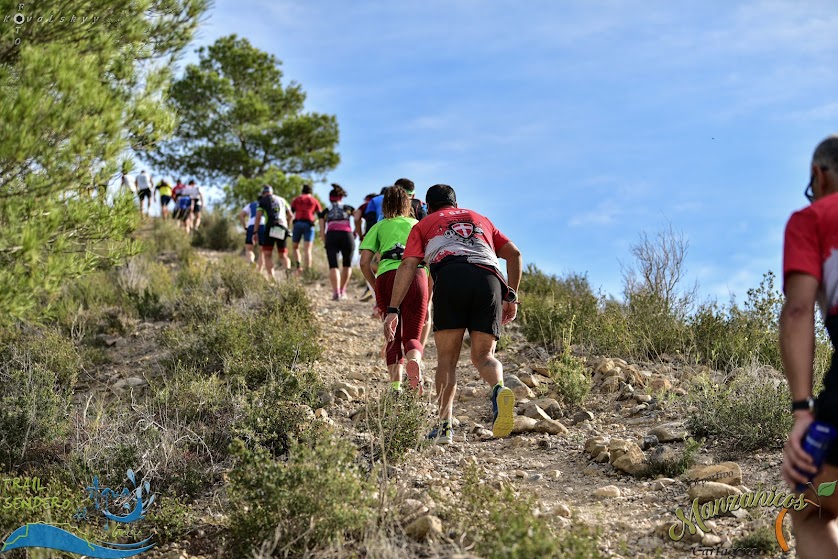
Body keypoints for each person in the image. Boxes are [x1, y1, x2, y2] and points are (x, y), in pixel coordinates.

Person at [384, 184, 522, 444]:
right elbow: (514, 254)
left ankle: (444, 426)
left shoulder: (423, 224)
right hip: (489, 280)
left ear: (427, 206)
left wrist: (393, 309)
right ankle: (499, 389)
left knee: (447, 360)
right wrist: (511, 294)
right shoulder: (479, 218)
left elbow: (408, 264)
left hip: (451, 276)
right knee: (484, 356)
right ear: (456, 204)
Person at [780, 135, 838, 558]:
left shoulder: (813, 218)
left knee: (810, 509)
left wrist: (803, 410)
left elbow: (799, 312)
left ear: (819, 175)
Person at [360, 186, 428, 393]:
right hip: (416, 276)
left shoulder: (379, 227)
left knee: (391, 335)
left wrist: (375, 285)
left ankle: (396, 386)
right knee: (412, 336)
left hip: (387, 277)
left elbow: (364, 262)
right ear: (408, 203)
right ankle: (414, 361)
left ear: (385, 204)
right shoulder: (419, 225)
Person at [318, 184, 356, 300]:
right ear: (341, 197)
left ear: (330, 198)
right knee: (347, 264)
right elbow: (358, 217)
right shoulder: (348, 208)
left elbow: (321, 230)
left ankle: (336, 293)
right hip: (347, 235)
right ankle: (342, 290)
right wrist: (356, 232)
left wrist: (325, 241)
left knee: (333, 265)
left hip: (331, 236)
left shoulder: (325, 211)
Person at [254, 185, 293, 281]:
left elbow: (258, 217)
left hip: (270, 227)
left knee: (267, 254)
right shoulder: (283, 200)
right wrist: (287, 227)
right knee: (283, 255)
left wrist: (255, 231)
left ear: (263, 193)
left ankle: (271, 279)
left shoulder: (262, 201)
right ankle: (288, 277)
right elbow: (291, 215)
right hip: (282, 227)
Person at [290, 184, 323, 275]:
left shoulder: (296, 199)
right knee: (307, 249)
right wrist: (317, 224)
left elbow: (290, 212)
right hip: (309, 224)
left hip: (298, 223)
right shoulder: (314, 200)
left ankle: (298, 266)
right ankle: (308, 270)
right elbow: (320, 215)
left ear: (302, 191)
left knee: (295, 247)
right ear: (311, 192)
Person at [239, 199, 265, 272]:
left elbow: (241, 215)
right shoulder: (266, 203)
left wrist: (244, 226)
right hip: (263, 225)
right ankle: (259, 272)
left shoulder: (251, 204)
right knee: (262, 251)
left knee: (249, 249)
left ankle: (251, 262)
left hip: (251, 225)